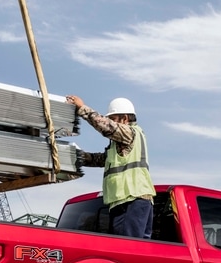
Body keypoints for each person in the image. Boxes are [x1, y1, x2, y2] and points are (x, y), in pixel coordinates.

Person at [65, 95, 156, 238]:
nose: (110, 122)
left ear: (125, 118)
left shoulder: (129, 132)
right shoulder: (120, 144)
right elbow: (101, 159)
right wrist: (76, 156)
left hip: (130, 199)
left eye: (113, 119)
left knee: (127, 248)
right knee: (137, 249)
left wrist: (82, 108)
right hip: (132, 200)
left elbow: (105, 126)